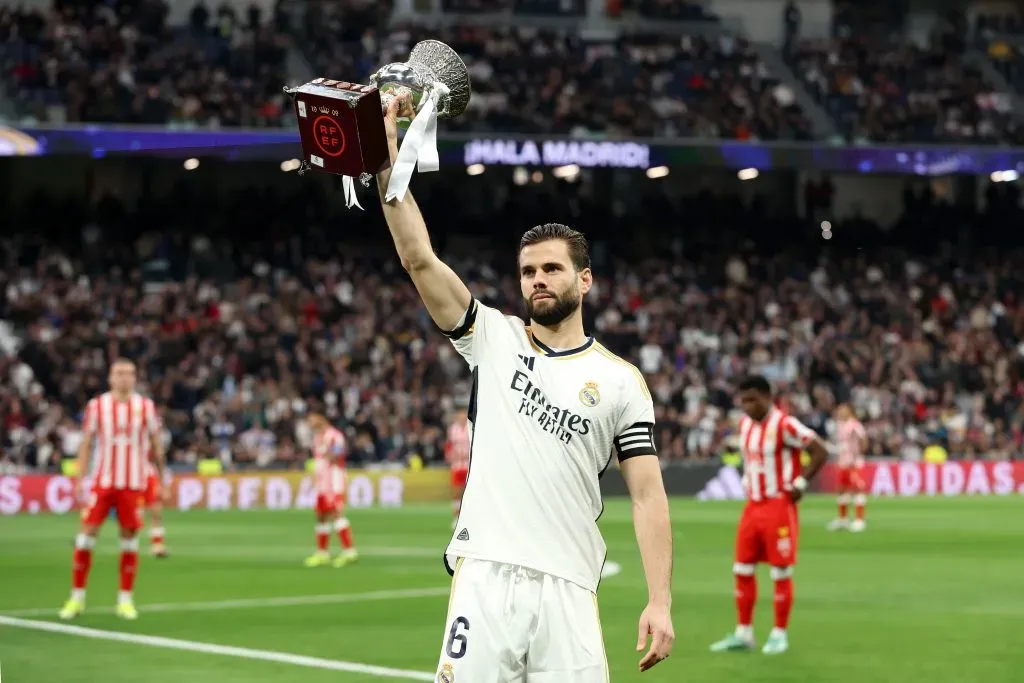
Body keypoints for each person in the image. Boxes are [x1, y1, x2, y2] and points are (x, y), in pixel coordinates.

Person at [376, 95, 674, 681]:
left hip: (568, 584)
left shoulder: (620, 381)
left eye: (552, 269)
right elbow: (418, 258)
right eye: (528, 272)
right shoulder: (492, 336)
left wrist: (659, 599)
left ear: (584, 279)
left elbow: (647, 495)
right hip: (485, 574)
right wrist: (389, 163)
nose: (537, 280)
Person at [710, 375, 829, 655]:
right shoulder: (745, 425)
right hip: (752, 505)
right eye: (743, 401)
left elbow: (820, 451)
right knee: (742, 568)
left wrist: (801, 482)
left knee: (780, 571)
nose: (747, 406)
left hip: (778, 505)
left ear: (767, 397)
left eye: (752, 400)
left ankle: (779, 634)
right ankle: (744, 633)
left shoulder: (784, 424)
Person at [59, 358, 165, 620]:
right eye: (119, 373)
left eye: (129, 373)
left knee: (129, 539)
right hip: (103, 482)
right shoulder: (97, 406)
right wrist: (79, 479)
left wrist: (162, 479)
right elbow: (86, 443)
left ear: (135, 378)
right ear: (110, 377)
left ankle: (125, 600)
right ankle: (77, 598)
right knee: (86, 536)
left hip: (133, 482)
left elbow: (156, 443)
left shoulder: (145, 407)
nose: (124, 378)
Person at [303, 412, 358, 568]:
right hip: (322, 480)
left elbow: (338, 453)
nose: (309, 423)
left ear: (321, 418)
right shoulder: (317, 437)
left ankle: (349, 551)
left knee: (336, 512)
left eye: (311, 419)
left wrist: (322, 459)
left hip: (333, 479)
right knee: (321, 515)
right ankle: (323, 553)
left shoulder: (334, 435)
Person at [828, 403, 867, 532]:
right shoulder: (840, 425)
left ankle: (859, 520)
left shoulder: (854, 425)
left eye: (843, 410)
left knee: (857, 489)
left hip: (853, 462)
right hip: (843, 462)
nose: (840, 412)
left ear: (850, 411)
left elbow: (863, 440)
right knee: (841, 489)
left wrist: (857, 455)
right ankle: (843, 519)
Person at [445, 402, 471, 530]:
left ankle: (469, 518)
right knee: (456, 492)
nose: (461, 417)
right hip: (456, 465)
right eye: (459, 414)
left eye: (463, 414)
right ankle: (457, 518)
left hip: (468, 465)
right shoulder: (452, 429)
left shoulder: (471, 427)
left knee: (469, 492)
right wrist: (449, 455)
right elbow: (449, 445)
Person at [141, 460, 172, 557]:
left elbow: (159, 457)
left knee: (156, 511)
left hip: (150, 475)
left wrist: (162, 483)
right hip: (134, 475)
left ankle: (157, 545)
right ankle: (129, 545)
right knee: (135, 514)